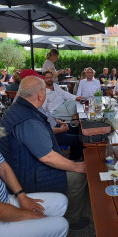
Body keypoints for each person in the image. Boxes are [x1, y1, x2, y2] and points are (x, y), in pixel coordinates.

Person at [0, 76, 89, 229]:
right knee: (79, 176)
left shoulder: (15, 110)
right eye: (45, 92)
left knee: (73, 163)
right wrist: (77, 167)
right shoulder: (28, 120)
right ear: (40, 95)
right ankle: (72, 219)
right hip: (28, 176)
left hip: (17, 166)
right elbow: (47, 157)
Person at [0, 141, 68, 237]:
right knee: (61, 225)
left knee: (61, 202)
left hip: (5, 199)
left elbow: (2, 167)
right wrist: (28, 214)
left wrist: (21, 196)